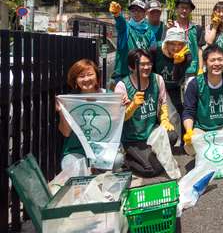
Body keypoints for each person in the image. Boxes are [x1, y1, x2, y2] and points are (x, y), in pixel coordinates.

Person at [115, 49, 178, 177]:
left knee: (172, 135)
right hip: (133, 138)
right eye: (142, 64)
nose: (147, 67)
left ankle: (153, 154)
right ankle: (128, 159)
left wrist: (165, 120)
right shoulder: (122, 86)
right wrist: (133, 105)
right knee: (151, 170)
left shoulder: (157, 80)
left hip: (151, 131)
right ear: (131, 67)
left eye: (149, 63)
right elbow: (121, 119)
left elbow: (163, 103)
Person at [57, 59, 124, 171]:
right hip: (76, 150)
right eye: (81, 76)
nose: (86, 79)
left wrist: (121, 105)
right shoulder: (69, 101)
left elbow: (115, 123)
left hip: (101, 148)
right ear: (75, 80)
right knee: (72, 169)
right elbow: (66, 132)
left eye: (90, 74)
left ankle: (97, 169)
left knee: (117, 160)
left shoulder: (108, 97)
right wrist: (61, 111)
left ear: (97, 77)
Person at [182, 44, 223, 154]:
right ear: (204, 63)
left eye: (220, 60)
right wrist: (189, 131)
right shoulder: (194, 84)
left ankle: (219, 151)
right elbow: (188, 111)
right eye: (212, 60)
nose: (217, 63)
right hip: (203, 129)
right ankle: (217, 150)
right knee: (189, 147)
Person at [109, 0, 155, 83]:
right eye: (133, 10)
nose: (136, 13)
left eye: (139, 10)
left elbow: (153, 51)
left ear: (145, 13)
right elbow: (120, 23)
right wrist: (117, 15)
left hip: (142, 75)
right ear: (130, 12)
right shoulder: (126, 28)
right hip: (124, 75)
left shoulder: (150, 32)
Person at [149, 27, 191, 115]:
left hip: (174, 88)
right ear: (166, 43)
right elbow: (149, 71)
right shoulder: (155, 50)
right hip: (156, 87)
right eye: (172, 44)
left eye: (180, 44)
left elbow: (176, 79)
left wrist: (177, 64)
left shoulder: (187, 55)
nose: (176, 48)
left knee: (177, 114)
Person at [169, 0, 204, 77]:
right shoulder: (170, 27)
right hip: (174, 69)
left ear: (190, 10)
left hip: (193, 70)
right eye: (181, 7)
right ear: (176, 9)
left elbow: (200, 50)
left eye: (187, 8)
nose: (184, 10)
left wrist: (201, 69)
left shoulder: (196, 28)